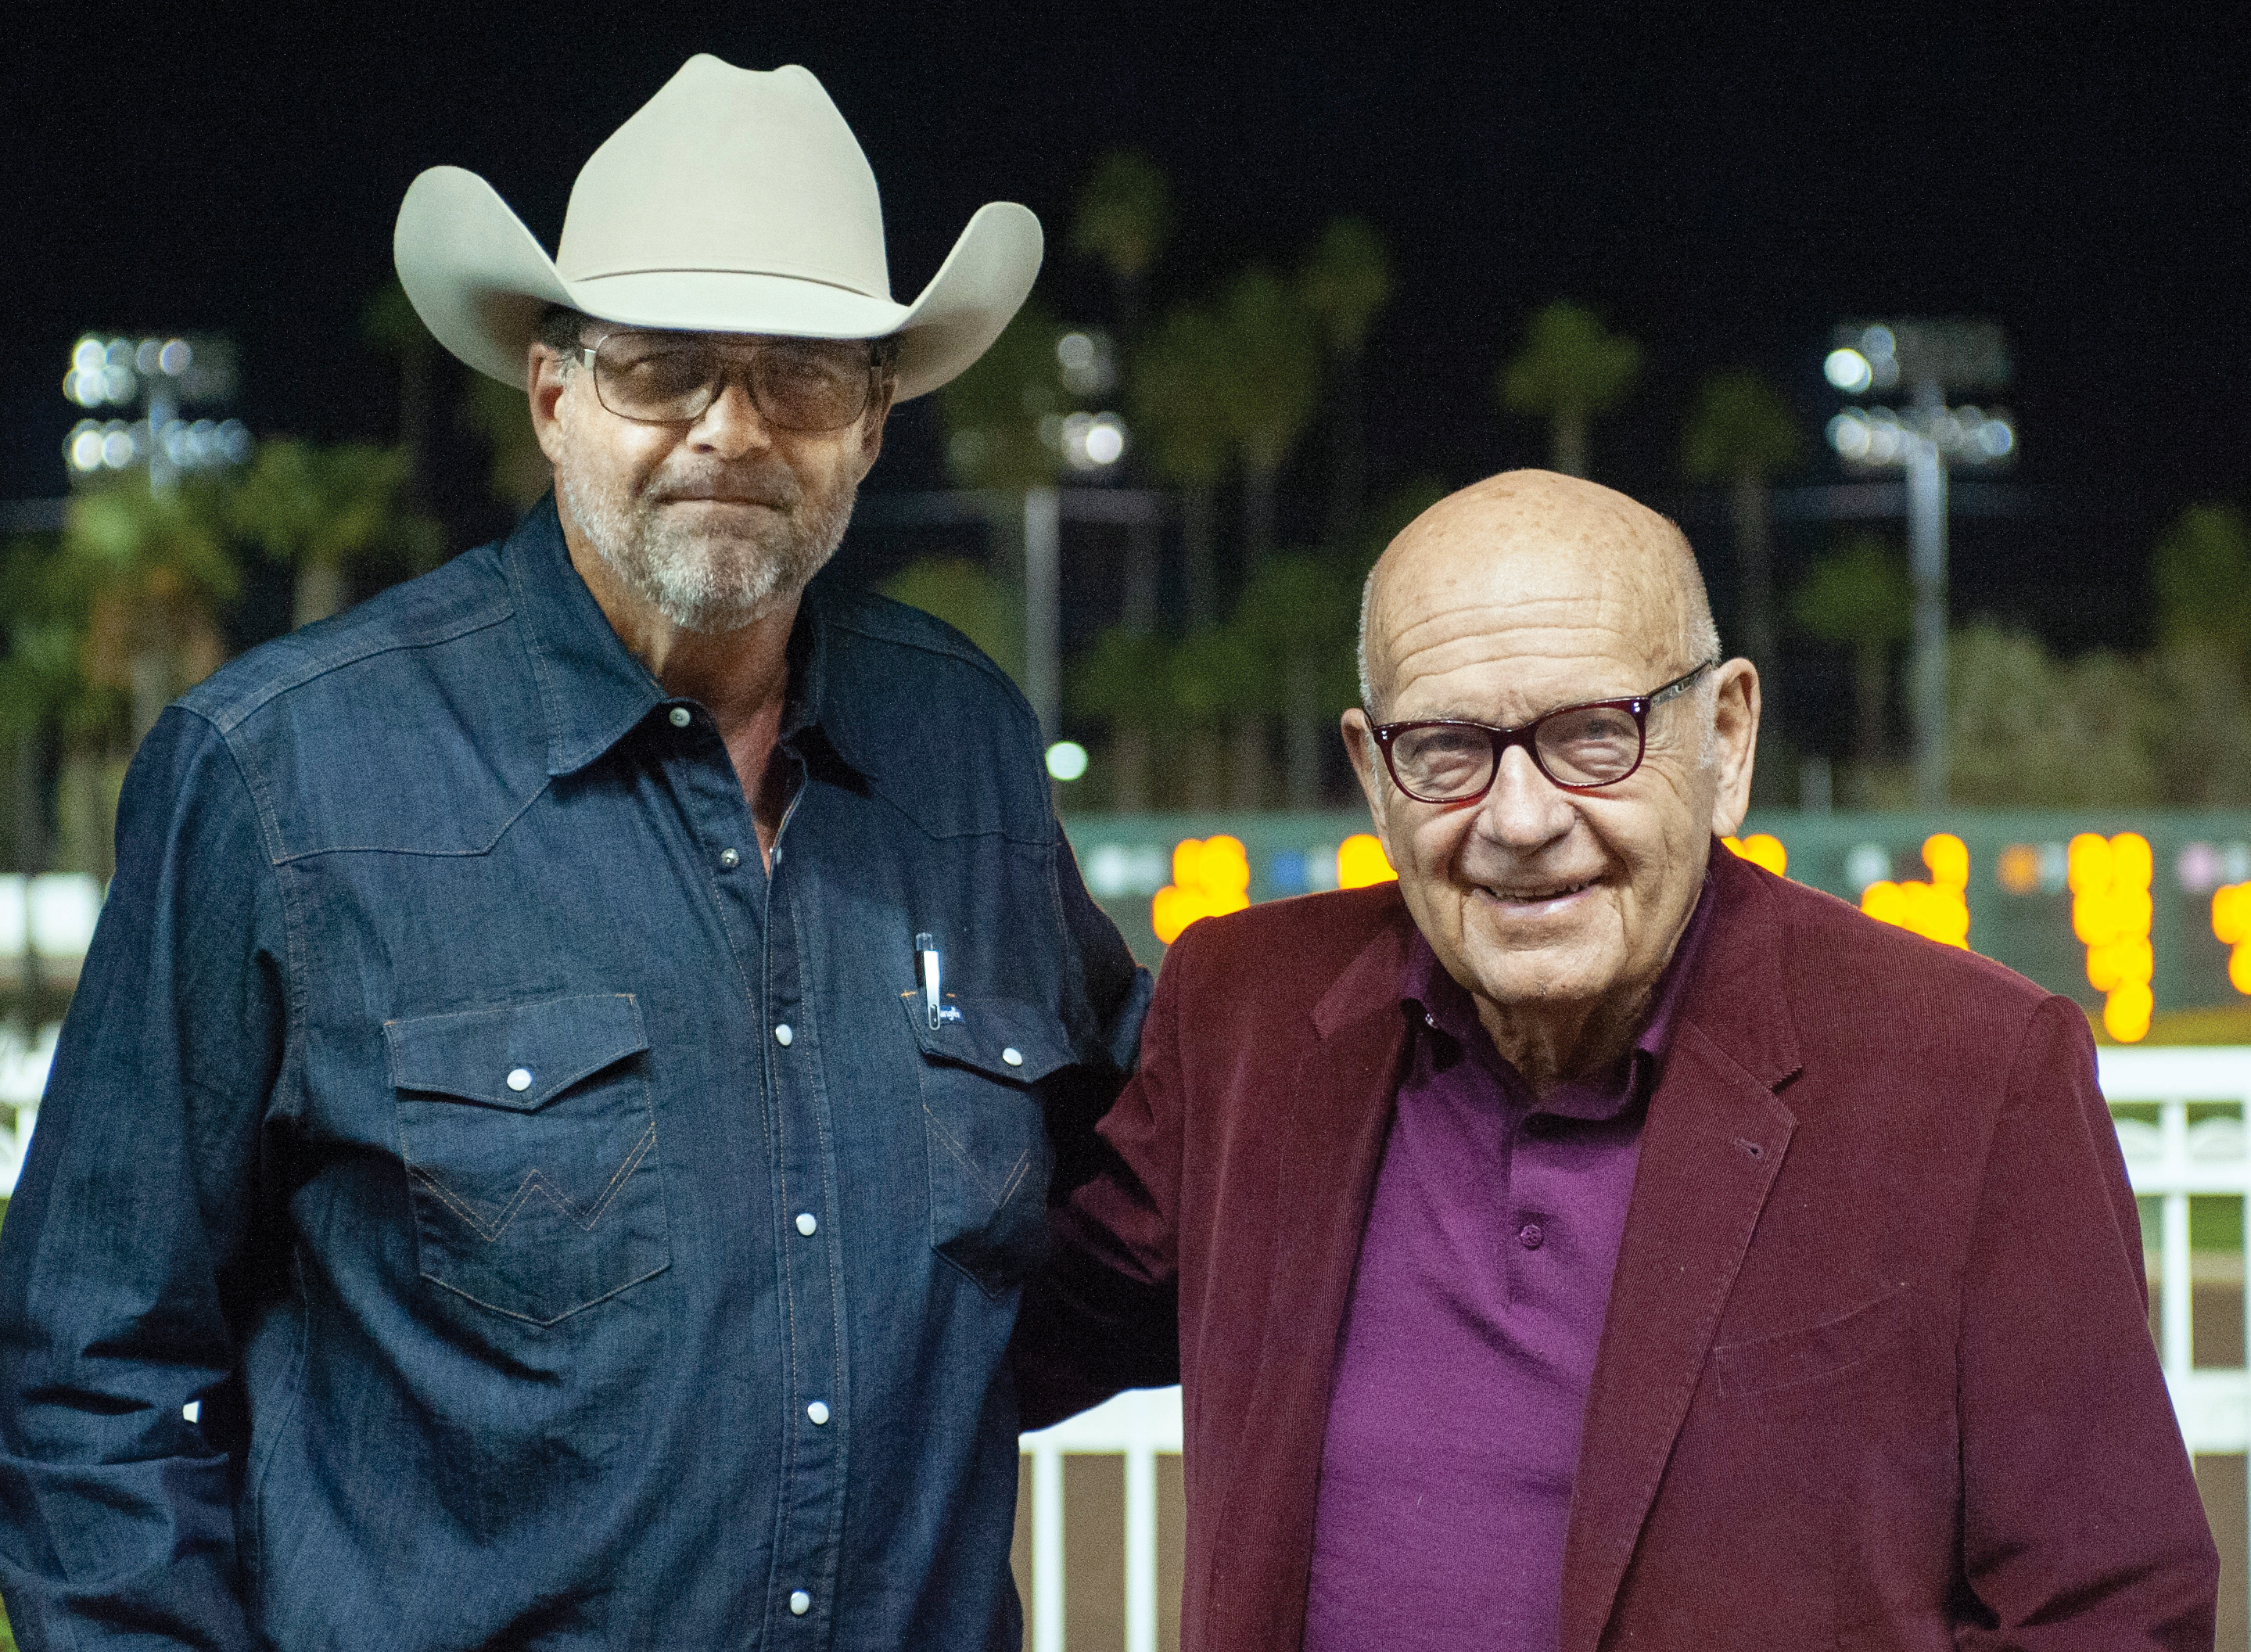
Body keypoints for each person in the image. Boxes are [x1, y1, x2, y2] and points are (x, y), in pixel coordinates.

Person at [0, 56, 1146, 1650]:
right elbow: (91, 1369)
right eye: (662, 369)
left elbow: (1139, 1191)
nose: (728, 431)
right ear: (553, 395)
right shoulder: (282, 772)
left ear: (873, 424)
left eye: (801, 377)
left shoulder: (962, 749)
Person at [1014, 469, 2217, 1650]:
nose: (1521, 820)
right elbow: (976, 1340)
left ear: (1727, 737)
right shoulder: (1247, 1011)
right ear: (1376, 777)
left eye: (1596, 734)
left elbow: (2109, 1610)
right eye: (1444, 748)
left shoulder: (1969, 1067)